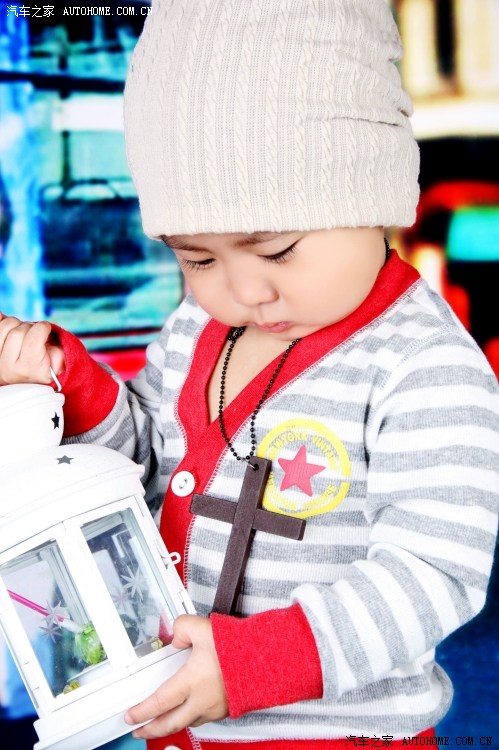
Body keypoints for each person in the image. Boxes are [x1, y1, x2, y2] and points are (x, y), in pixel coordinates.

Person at [1, 1, 498, 749]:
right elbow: (141, 467)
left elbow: (431, 575)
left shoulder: (424, 366)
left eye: (276, 250)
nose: (243, 291)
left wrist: (252, 664)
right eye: (197, 258)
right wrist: (72, 385)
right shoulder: (196, 329)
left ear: (374, 197)